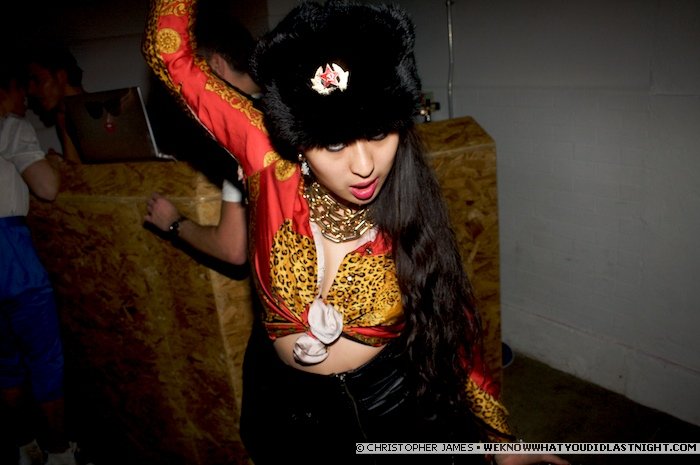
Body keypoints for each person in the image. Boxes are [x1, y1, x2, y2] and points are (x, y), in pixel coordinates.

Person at [143, 1, 569, 464]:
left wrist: (500, 442)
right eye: (333, 142)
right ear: (298, 139)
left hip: (389, 413)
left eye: (380, 133)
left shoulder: (409, 211)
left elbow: (452, 333)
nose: (365, 166)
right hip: (288, 408)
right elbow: (170, 54)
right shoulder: (265, 160)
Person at [0, 62, 85, 465]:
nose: (27, 98)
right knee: (44, 357)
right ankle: (60, 452)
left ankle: (24, 446)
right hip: (10, 252)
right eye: (21, 88)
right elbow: (47, 188)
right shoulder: (11, 127)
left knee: (5, 362)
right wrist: (48, 165)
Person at [144, 0, 261, 265]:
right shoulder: (287, 104)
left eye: (189, 79)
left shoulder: (242, 130)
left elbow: (232, 248)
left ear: (215, 66)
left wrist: (173, 222)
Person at [25, 45, 85, 164]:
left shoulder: (101, 113)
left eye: (37, 80)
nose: (30, 90)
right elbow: (76, 166)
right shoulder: (63, 117)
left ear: (61, 77)